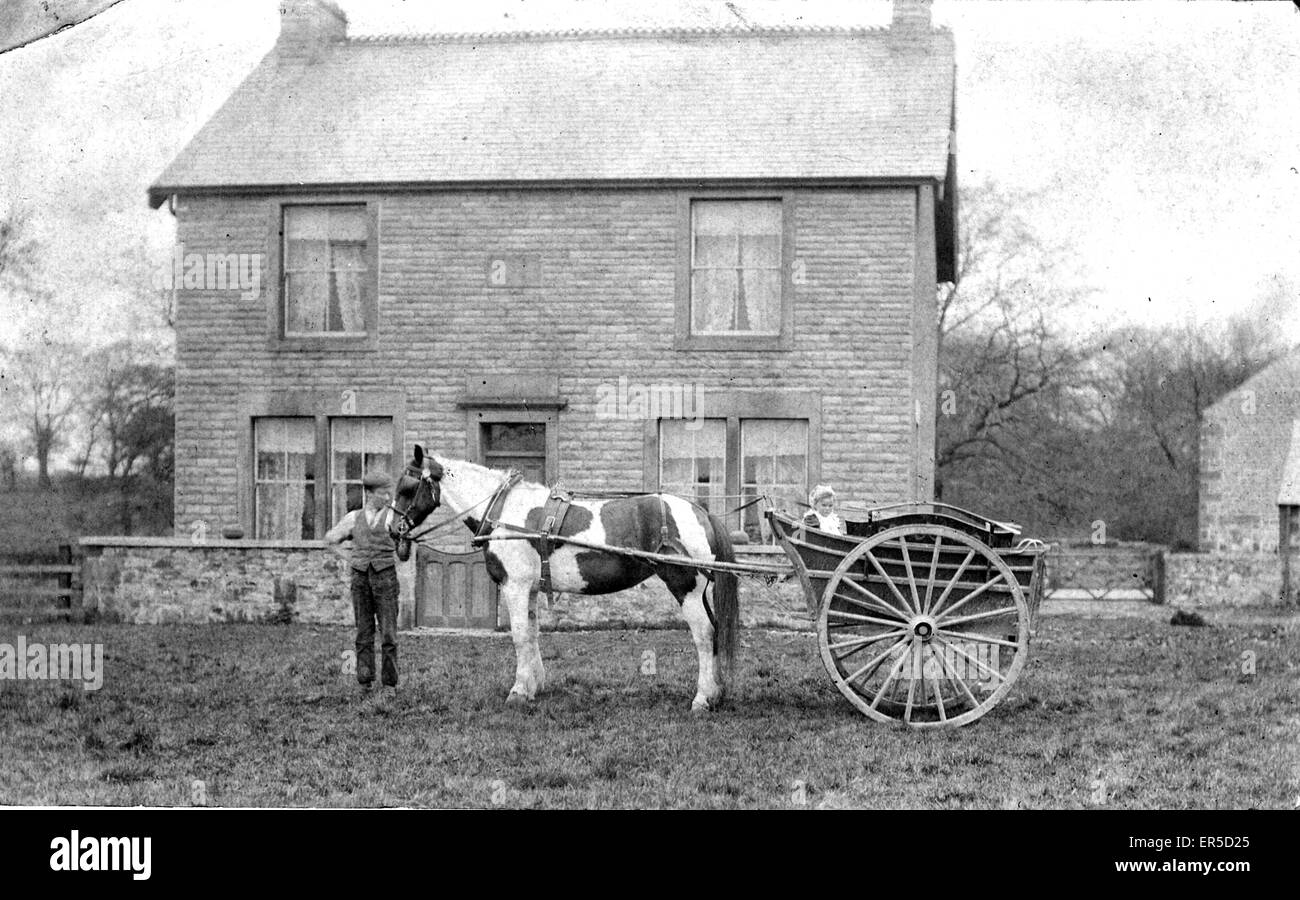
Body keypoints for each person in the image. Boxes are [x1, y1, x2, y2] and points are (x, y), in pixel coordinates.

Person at [324, 472, 403, 699]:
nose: (387, 497)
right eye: (382, 493)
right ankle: (364, 682)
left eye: (389, 493)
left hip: (386, 579)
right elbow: (330, 540)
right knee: (363, 632)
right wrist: (351, 559)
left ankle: (389, 685)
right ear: (369, 493)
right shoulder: (353, 517)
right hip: (360, 580)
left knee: (389, 634)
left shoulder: (392, 518)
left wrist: (397, 553)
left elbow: (404, 550)